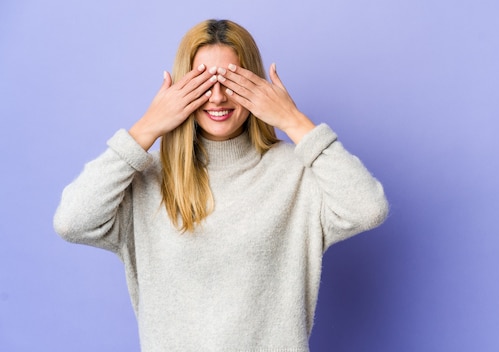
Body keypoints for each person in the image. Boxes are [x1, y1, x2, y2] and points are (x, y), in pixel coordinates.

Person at [54, 19, 388, 352]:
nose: (216, 97)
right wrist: (146, 129)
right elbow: (72, 222)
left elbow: (368, 209)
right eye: (202, 83)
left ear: (256, 86)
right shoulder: (147, 178)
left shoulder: (296, 172)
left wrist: (292, 119)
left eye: (231, 81)